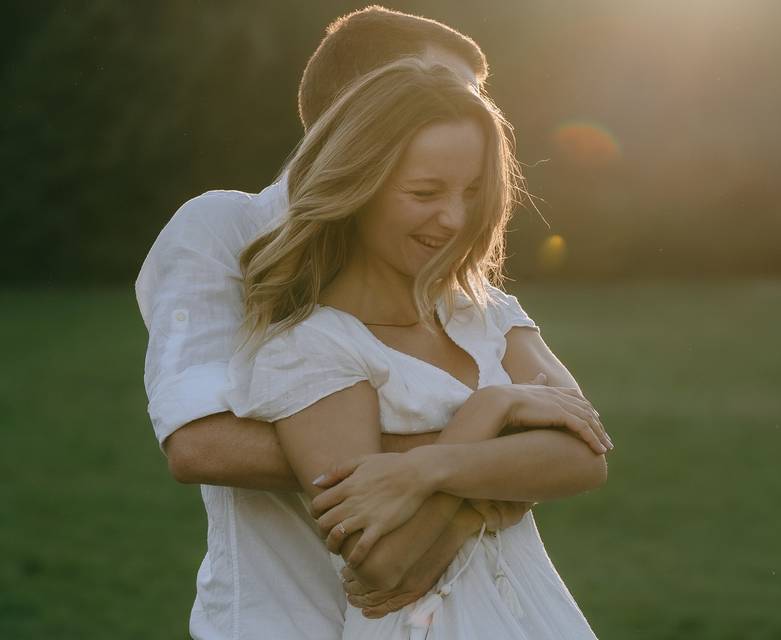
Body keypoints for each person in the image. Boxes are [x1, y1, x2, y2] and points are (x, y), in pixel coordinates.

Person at [136, 7, 544, 639]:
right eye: (445, 93)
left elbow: (577, 434)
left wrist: (459, 488)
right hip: (289, 619)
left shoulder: (447, 263)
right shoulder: (224, 229)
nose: (473, 122)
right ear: (362, 106)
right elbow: (201, 443)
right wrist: (478, 449)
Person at [225, 57, 609, 639]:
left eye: (473, 191)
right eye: (425, 192)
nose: (454, 218)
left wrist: (425, 470)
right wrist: (494, 422)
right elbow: (385, 563)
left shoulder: (485, 312)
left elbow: (585, 456)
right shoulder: (312, 347)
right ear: (358, 184)